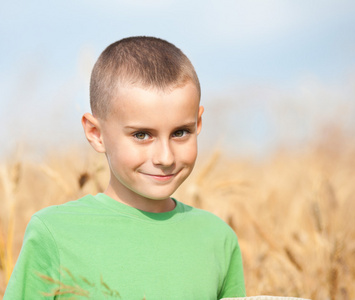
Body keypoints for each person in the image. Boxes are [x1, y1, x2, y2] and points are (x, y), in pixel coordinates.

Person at [4, 36, 246, 299]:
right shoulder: (53, 234)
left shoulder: (218, 239)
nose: (165, 157)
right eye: (142, 135)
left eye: (180, 132)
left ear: (198, 122)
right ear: (96, 133)